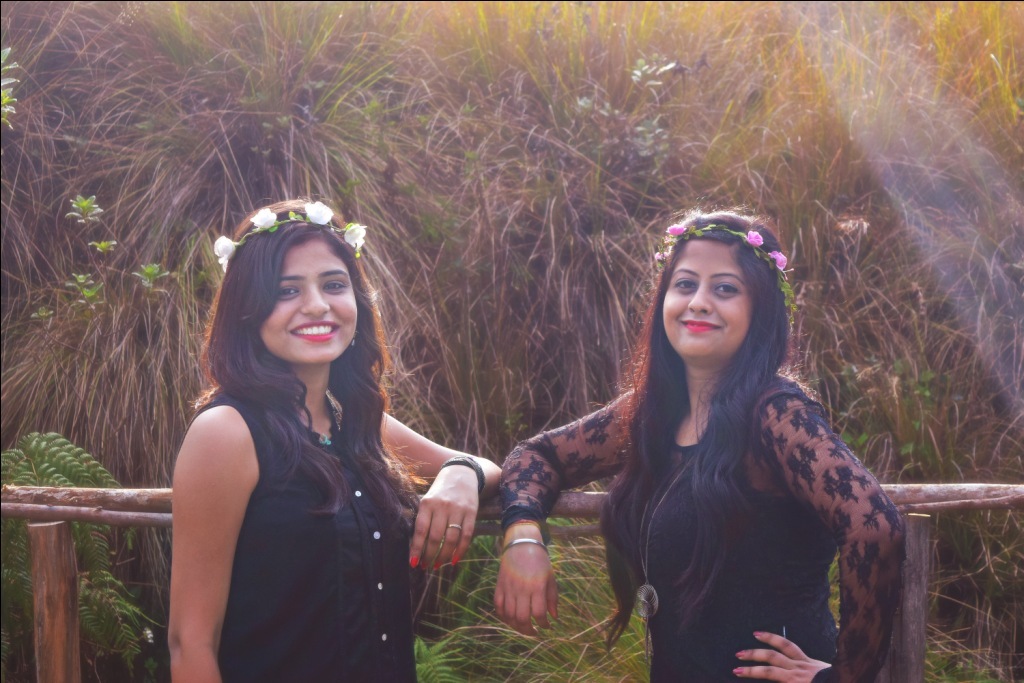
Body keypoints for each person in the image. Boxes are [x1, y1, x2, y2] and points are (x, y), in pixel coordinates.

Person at [494, 209, 906, 682]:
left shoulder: (774, 414)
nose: (699, 302)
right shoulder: (653, 413)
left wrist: (841, 678)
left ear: (760, 309)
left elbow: (874, 528)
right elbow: (537, 456)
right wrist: (523, 536)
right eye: (685, 284)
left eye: (725, 289)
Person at [168, 199, 500, 683]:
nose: (318, 306)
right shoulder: (227, 432)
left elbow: (487, 467)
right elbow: (190, 642)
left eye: (333, 284)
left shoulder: (358, 422)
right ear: (247, 310)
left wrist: (458, 476)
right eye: (287, 290)